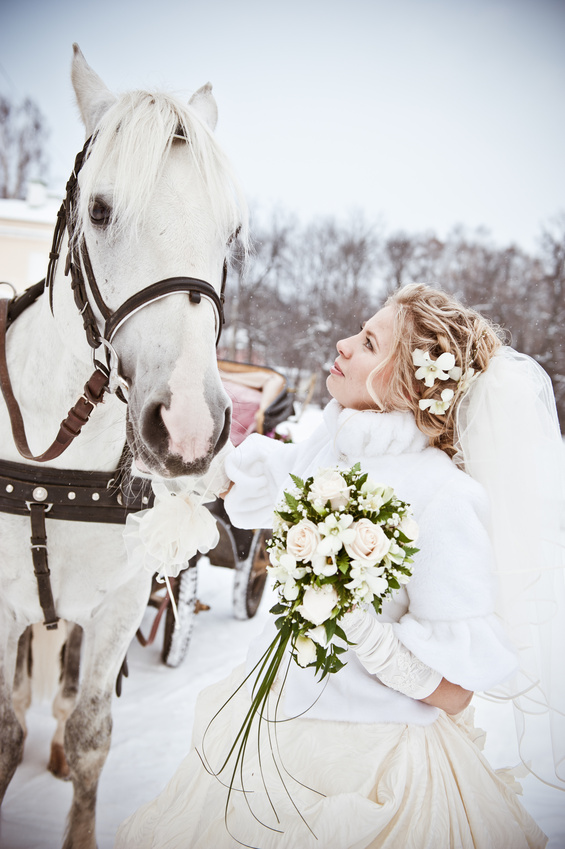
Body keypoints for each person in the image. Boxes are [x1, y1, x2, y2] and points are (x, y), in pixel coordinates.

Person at [116, 283, 563, 849]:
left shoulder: (445, 497)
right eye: (359, 330)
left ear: (409, 384)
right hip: (269, 733)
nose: (344, 343)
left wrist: (366, 634)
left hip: (372, 766)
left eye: (369, 342)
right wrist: (167, 445)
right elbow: (250, 480)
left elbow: (455, 693)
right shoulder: (329, 446)